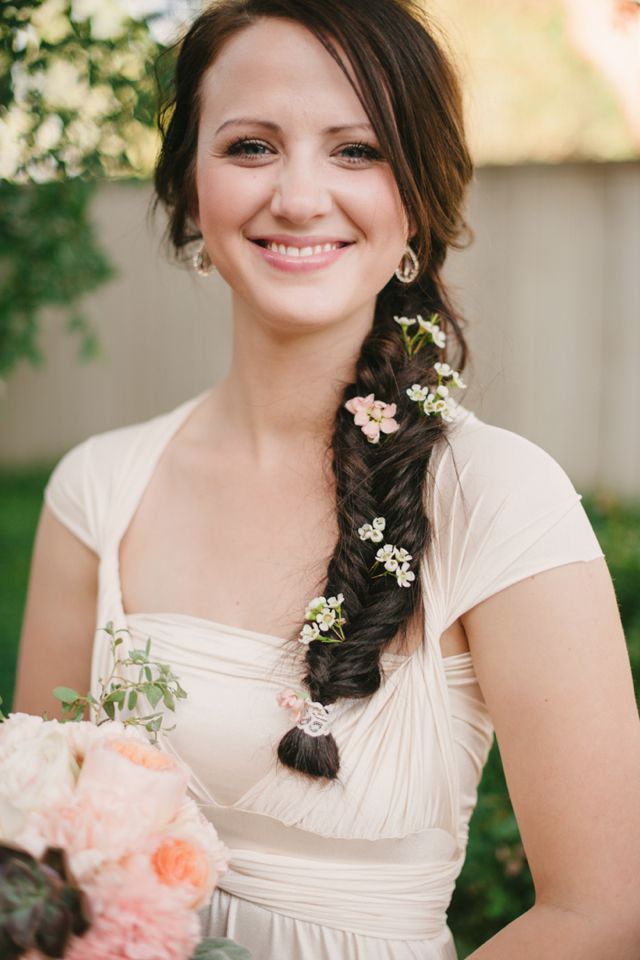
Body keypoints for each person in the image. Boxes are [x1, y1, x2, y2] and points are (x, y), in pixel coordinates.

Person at [14, 0, 640, 957]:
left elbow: (604, 912)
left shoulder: (500, 499)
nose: (300, 197)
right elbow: (32, 855)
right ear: (189, 188)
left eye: (356, 150)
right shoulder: (97, 491)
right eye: (252, 146)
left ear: (419, 202)